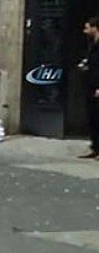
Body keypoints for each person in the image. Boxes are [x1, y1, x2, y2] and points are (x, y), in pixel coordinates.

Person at [80, 17, 99, 159]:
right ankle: (95, 147)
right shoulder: (92, 44)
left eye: (87, 28)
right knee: (92, 118)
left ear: (95, 28)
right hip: (90, 85)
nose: (85, 31)